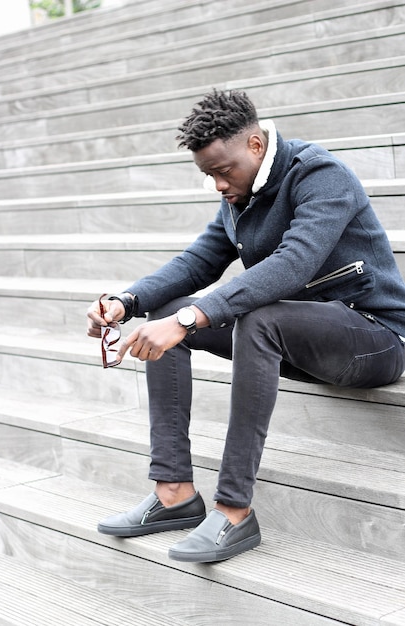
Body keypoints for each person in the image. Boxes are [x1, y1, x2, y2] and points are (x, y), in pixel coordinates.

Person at [87, 89, 405, 563]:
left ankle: (234, 510)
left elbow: (293, 263)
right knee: (166, 309)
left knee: (251, 317)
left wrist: (192, 317)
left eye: (223, 170)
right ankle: (174, 491)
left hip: (374, 336)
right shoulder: (241, 193)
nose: (218, 184)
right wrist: (126, 300)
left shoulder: (320, 175)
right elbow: (198, 261)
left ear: (256, 146)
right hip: (301, 339)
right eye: (208, 175)